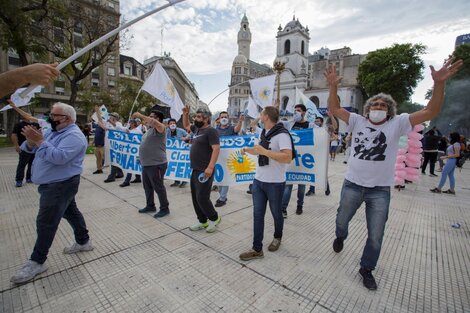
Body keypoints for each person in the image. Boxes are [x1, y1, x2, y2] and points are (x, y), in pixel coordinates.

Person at [325, 57, 462, 290]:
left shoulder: (398, 123)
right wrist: (333, 86)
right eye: (375, 105)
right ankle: (340, 236)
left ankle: (366, 268)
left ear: (389, 111)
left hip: (380, 191)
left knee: (376, 234)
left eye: (383, 106)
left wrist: (439, 84)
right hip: (352, 185)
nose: (378, 108)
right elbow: (334, 109)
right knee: (341, 220)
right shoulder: (357, 121)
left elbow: (432, 110)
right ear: (368, 109)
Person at [10, 102, 93, 284]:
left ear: (67, 119)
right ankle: (83, 241)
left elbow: (59, 157)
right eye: (51, 114)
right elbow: (30, 149)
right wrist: (31, 143)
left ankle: (37, 261)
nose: (50, 118)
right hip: (52, 183)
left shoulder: (75, 137)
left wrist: (39, 141)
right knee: (70, 212)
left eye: (55, 116)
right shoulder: (52, 131)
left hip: (60, 185)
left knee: (46, 222)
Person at [239, 106, 295, 261]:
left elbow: (287, 157)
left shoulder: (282, 135)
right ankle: (257, 248)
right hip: (259, 180)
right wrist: (247, 150)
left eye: (261, 114)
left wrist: (264, 152)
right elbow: (259, 150)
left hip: (275, 183)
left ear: (266, 117)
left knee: (276, 213)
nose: (259, 116)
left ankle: (278, 236)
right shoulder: (264, 132)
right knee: (257, 214)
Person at [182, 106, 222, 233]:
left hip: (205, 170)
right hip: (195, 169)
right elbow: (186, 125)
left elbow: (216, 149)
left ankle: (214, 218)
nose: (196, 119)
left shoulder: (211, 131)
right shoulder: (197, 130)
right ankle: (202, 221)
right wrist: (185, 114)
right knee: (195, 197)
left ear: (207, 118)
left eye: (199, 117)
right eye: (196, 116)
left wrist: (210, 167)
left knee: (202, 197)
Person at [280, 104, 316, 217]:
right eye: (294, 110)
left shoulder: (310, 125)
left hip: (304, 161)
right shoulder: (290, 124)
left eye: (298, 111)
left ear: (304, 112)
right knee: (288, 186)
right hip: (291, 160)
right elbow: (276, 123)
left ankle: (300, 205)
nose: (296, 112)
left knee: (301, 186)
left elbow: (322, 134)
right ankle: (283, 208)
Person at [133, 111, 170, 218]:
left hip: (157, 164)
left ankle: (165, 208)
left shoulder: (161, 128)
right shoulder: (148, 131)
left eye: (151, 117)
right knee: (147, 187)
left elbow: (154, 122)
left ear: (158, 119)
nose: (148, 119)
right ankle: (150, 205)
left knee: (158, 187)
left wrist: (140, 115)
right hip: (146, 164)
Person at [214, 111, 244, 207]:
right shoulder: (215, 130)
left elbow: (237, 129)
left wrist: (240, 121)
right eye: (222, 117)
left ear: (228, 118)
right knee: (219, 177)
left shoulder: (231, 128)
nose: (224, 118)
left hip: (228, 158)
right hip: (217, 157)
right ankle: (221, 194)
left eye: (225, 117)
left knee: (225, 177)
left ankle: (222, 198)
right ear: (219, 119)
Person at [305, 113, 337, 196]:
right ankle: (312, 190)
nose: (316, 122)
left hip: (322, 154)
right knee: (313, 171)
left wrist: (327, 139)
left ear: (322, 122)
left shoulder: (325, 129)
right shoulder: (313, 129)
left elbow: (335, 137)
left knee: (322, 172)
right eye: (315, 121)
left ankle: (327, 188)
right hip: (314, 153)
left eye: (318, 121)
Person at [94, 108, 126, 182]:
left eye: (111, 116)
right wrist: (98, 112)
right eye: (110, 116)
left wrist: (111, 122)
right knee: (112, 159)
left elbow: (118, 128)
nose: (109, 117)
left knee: (113, 159)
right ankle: (120, 173)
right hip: (108, 144)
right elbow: (100, 120)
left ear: (115, 118)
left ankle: (112, 176)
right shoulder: (107, 122)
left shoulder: (118, 123)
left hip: (116, 145)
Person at [12, 119, 39, 187]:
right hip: (23, 148)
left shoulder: (36, 124)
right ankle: (19, 180)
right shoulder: (19, 125)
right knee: (22, 164)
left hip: (34, 148)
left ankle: (29, 178)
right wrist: (16, 145)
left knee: (32, 164)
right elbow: (14, 135)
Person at [167, 118, 189, 188]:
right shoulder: (167, 131)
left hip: (181, 151)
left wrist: (185, 138)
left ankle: (184, 181)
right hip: (172, 152)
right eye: (171, 123)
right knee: (174, 165)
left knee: (181, 165)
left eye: (174, 123)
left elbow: (189, 135)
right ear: (168, 125)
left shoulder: (181, 130)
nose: (172, 125)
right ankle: (176, 181)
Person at [119, 119, 142, 187]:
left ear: (134, 124)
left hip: (136, 151)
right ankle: (138, 178)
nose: (129, 124)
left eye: (131, 123)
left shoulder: (137, 130)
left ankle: (127, 181)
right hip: (131, 151)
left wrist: (129, 134)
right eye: (129, 123)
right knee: (136, 165)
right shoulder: (129, 130)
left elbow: (138, 138)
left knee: (132, 165)